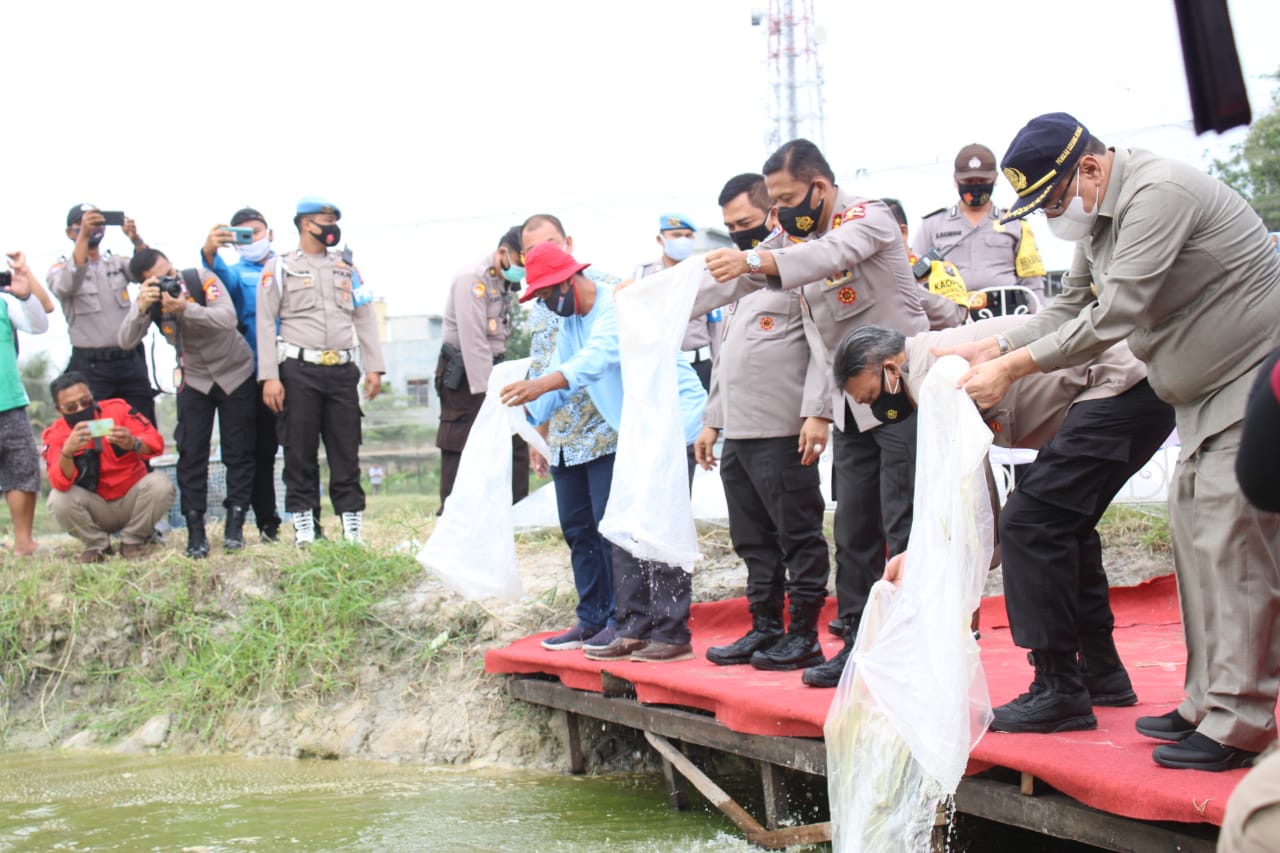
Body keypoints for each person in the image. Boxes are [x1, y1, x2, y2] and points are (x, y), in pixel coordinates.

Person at [951, 112, 1280, 771]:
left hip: (1248, 376)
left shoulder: (1157, 195)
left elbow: (1116, 313)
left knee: (1232, 546)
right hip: (1200, 394)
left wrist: (1013, 368)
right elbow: (1071, 302)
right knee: (1195, 540)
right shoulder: (1102, 220)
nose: (1052, 215)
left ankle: (1240, 720)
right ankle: (1204, 700)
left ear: (1092, 169)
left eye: (1051, 198)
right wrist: (996, 342)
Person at [700, 139, 967, 688]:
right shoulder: (793, 241)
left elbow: (822, 258)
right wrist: (659, 297)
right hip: (854, 407)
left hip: (902, 393)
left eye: (786, 198)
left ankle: (918, 644)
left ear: (818, 188)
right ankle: (856, 641)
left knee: (907, 522)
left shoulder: (865, 218)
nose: (780, 213)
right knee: (854, 530)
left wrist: (758, 256)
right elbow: (738, 278)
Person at [836, 319, 1175, 733]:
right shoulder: (929, 362)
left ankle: (1058, 688)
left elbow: (967, 494)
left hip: (1120, 388)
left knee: (1032, 523)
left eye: (872, 397)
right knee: (1059, 521)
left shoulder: (933, 375)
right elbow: (967, 490)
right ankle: (1100, 672)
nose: (881, 412)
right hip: (1137, 388)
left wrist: (951, 570)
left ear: (890, 368)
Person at [500, 242, 708, 661]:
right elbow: (557, 385)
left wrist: (542, 385)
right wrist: (516, 408)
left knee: (660, 524)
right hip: (635, 429)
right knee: (624, 524)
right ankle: (632, 627)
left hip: (671, 420)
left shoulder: (617, 302)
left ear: (568, 281)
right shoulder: (570, 323)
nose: (544, 304)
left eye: (545, 294)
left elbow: (596, 360)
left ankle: (672, 633)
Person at [694, 173, 832, 671]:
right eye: (730, 226)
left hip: (783, 429)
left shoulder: (800, 265)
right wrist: (712, 422)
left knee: (798, 534)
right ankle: (765, 627)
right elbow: (727, 354)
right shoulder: (738, 279)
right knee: (751, 538)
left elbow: (824, 347)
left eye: (746, 222)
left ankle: (803, 635)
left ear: (772, 212)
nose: (738, 233)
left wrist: (819, 412)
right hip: (739, 434)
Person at [513, 214, 624, 649]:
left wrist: (541, 387)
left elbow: (595, 359)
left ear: (569, 245)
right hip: (563, 434)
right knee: (577, 530)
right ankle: (591, 617)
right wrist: (533, 428)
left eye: (553, 245)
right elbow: (544, 366)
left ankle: (621, 617)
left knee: (608, 528)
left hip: (604, 427)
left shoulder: (608, 291)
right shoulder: (545, 302)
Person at [257, 198, 386, 545]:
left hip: (343, 369)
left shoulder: (347, 267)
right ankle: (304, 528)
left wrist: (374, 366)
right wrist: (269, 376)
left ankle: (351, 528)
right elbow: (266, 323)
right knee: (299, 452)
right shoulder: (280, 267)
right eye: (323, 220)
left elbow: (364, 316)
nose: (330, 226)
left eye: (333, 220)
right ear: (304, 224)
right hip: (299, 369)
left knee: (346, 451)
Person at [120, 249, 256, 558]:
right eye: (160, 279)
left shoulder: (200, 279)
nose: (171, 281)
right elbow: (125, 340)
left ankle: (235, 525)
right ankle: (196, 531)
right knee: (191, 453)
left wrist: (186, 309)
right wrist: (141, 307)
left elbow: (227, 318)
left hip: (234, 372)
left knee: (238, 451)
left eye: (170, 272)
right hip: (194, 378)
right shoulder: (149, 302)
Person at [203, 208, 283, 542]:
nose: (252, 240)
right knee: (257, 451)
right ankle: (267, 521)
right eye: (243, 235)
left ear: (271, 233)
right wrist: (210, 251)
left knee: (298, 447)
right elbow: (215, 275)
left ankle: (310, 519)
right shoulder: (234, 275)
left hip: (292, 367)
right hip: (250, 374)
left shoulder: (287, 267)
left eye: (257, 232)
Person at [436, 226, 530, 511]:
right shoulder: (472, 278)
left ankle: (517, 511)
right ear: (504, 252)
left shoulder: (502, 280)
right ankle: (452, 511)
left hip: (495, 369)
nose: (522, 269)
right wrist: (487, 391)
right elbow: (473, 339)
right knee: (462, 440)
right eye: (520, 260)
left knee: (514, 437)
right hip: (465, 372)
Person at [42, 371, 174, 562]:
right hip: (94, 508)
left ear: (92, 396)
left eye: (86, 402)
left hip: (132, 500)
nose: (81, 409)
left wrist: (133, 443)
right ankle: (97, 546)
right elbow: (59, 483)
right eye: (71, 407)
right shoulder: (55, 434)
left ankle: (132, 540)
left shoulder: (118, 410)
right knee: (58, 499)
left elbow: (156, 444)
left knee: (161, 483)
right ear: (58, 410)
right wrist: (67, 452)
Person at [48, 204, 157, 426]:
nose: (92, 228)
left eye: (97, 223)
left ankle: (143, 463)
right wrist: (84, 237)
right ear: (71, 232)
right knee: (100, 430)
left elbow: (151, 271)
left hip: (130, 360)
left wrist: (135, 239)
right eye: (84, 224)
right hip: (92, 367)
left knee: (142, 424)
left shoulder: (116, 263)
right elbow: (66, 285)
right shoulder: (60, 268)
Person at [912, 144, 1047, 315]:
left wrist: (1037, 321)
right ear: (956, 180)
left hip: (1007, 315)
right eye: (968, 181)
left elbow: (1032, 280)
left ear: (995, 179)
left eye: (982, 181)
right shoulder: (932, 225)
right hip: (952, 319)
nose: (975, 186)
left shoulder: (1015, 223)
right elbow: (915, 277)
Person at [0, 252, 52, 556]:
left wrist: (25, 295)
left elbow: (39, 325)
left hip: (10, 401)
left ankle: (24, 543)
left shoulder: (5, 304)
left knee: (21, 469)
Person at [633, 214, 720, 391]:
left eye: (688, 236)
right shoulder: (643, 274)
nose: (683, 240)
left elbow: (715, 327)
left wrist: (720, 369)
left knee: (705, 418)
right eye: (677, 235)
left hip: (700, 367)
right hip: (660, 368)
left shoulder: (704, 273)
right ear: (660, 239)